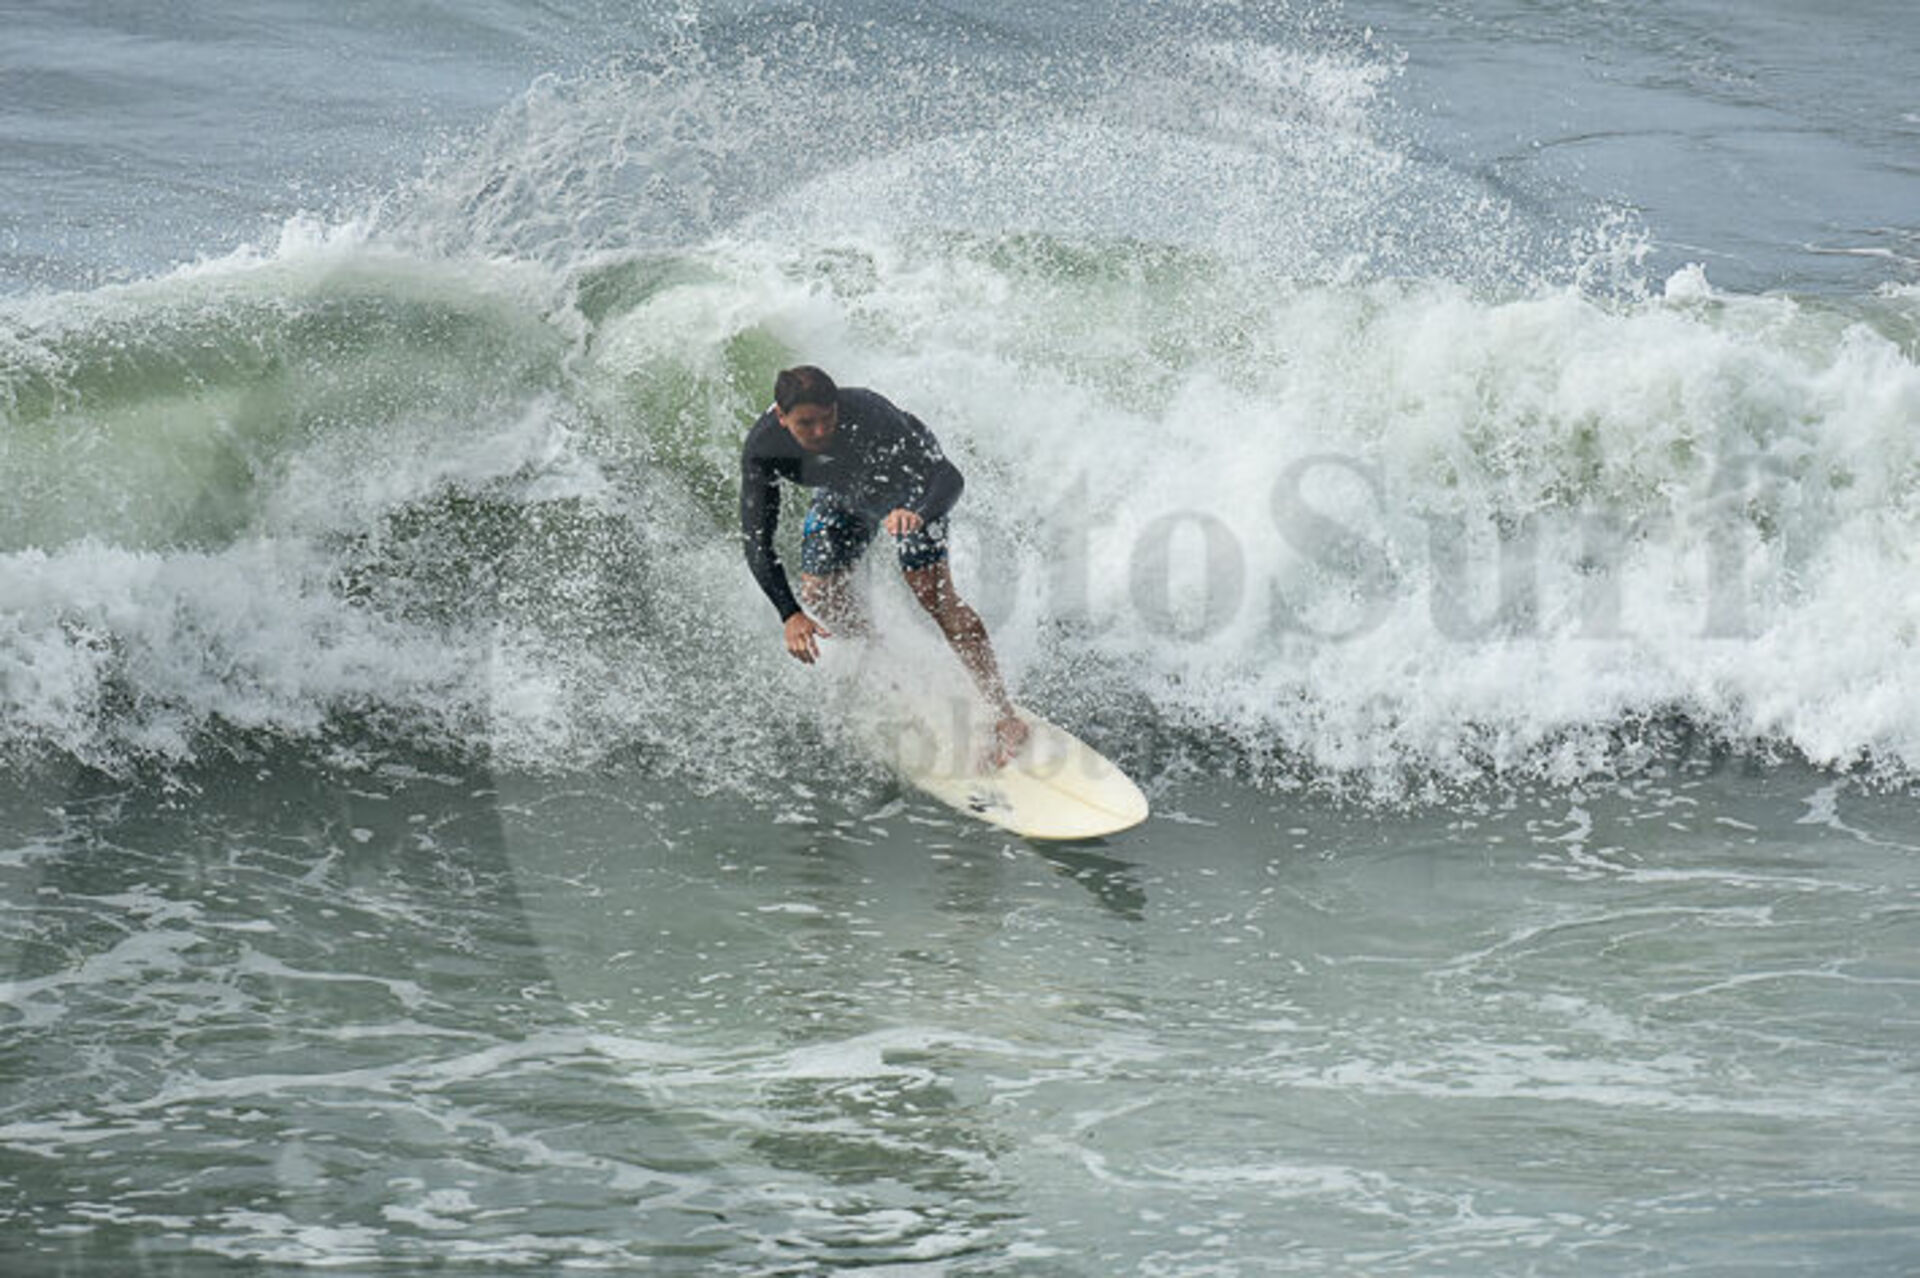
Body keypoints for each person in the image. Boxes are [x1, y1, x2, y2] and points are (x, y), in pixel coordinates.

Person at [740, 365, 1029, 762]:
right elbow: (757, 541)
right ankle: (886, 662)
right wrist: (789, 613)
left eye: (827, 418)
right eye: (806, 424)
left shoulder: (870, 413)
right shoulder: (763, 449)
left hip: (911, 487)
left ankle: (1005, 716)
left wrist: (918, 512)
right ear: (781, 416)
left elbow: (948, 476)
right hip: (844, 492)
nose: (820, 432)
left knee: (932, 594)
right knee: (819, 594)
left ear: (837, 406)